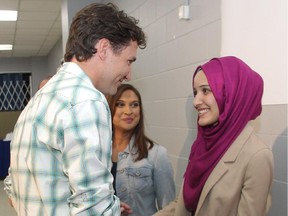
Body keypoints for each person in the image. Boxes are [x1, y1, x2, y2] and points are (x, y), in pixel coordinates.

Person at [4, 3, 146, 215]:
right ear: (104, 48)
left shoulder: (39, 99)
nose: (129, 74)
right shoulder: (86, 101)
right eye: (128, 61)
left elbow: (13, 188)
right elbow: (93, 209)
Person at [154, 56, 274, 216]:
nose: (196, 101)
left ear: (231, 93)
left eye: (206, 90)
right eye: (195, 92)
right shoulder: (203, 145)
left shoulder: (257, 156)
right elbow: (182, 205)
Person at [106, 84, 175, 216]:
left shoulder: (156, 154)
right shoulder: (98, 152)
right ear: (110, 108)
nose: (129, 111)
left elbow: (168, 208)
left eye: (134, 105)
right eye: (120, 104)